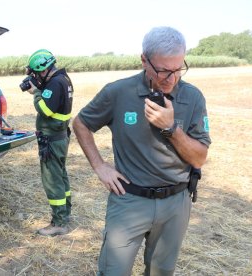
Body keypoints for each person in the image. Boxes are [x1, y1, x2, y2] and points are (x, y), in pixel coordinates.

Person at [72, 27, 211, 275]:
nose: (172, 78)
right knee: (113, 270)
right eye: (163, 70)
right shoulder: (118, 92)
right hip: (129, 201)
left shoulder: (193, 98)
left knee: (161, 271)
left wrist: (171, 128)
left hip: (176, 203)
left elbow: (199, 157)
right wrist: (99, 166)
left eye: (178, 69)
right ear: (144, 60)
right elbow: (81, 123)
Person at [23, 49, 74, 236]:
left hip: (52, 140)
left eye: (37, 74)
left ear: (43, 70)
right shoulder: (63, 80)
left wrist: (36, 93)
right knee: (61, 176)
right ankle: (65, 214)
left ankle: (59, 223)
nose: (36, 77)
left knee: (52, 181)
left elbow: (45, 108)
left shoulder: (54, 84)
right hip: (60, 136)